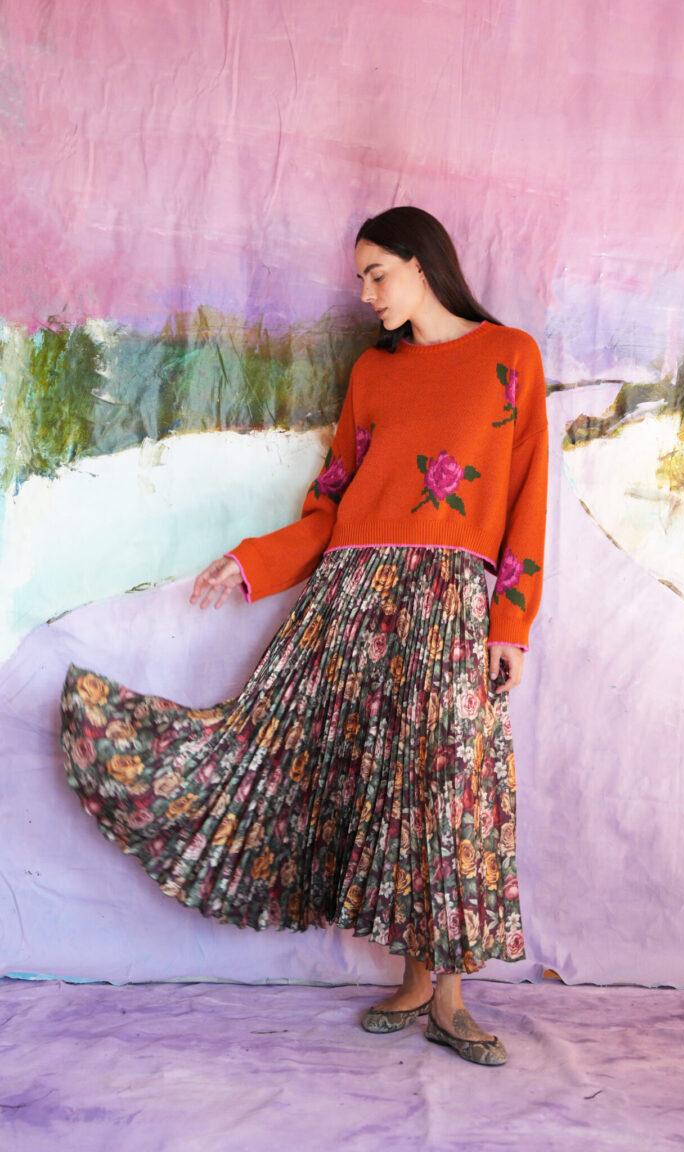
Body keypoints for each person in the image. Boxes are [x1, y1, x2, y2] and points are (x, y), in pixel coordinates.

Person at [60, 206, 548, 1067]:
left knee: (445, 789)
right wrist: (251, 561)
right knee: (359, 781)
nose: (366, 294)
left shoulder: (510, 358)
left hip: (447, 608)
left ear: (423, 265)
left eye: (377, 274)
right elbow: (332, 505)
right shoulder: (373, 372)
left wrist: (511, 622)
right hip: (350, 604)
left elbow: (527, 497)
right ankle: (413, 985)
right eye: (361, 278)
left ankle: (450, 999)